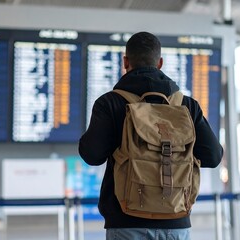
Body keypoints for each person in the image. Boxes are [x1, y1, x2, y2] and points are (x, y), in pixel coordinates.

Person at [79, 32, 223, 240]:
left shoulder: (110, 103)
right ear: (160, 63)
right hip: (176, 221)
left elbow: (91, 155)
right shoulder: (187, 106)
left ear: (125, 62)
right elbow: (213, 156)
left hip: (126, 221)